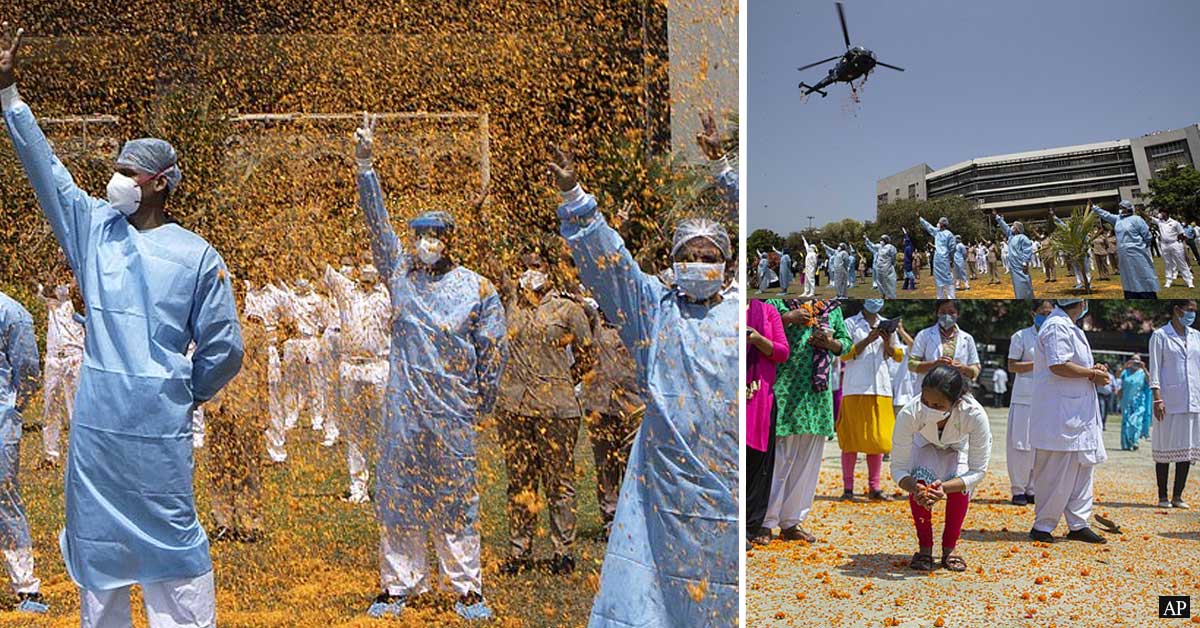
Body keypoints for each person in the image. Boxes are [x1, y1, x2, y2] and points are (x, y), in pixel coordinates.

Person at [2, 25, 244, 623]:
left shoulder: (197, 255)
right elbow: (47, 172)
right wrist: (8, 93)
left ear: (159, 182)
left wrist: (182, 391)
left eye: (128, 172)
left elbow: (225, 347)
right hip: (97, 439)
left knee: (174, 564)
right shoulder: (94, 231)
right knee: (100, 563)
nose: (116, 180)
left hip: (159, 437)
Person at [548, 117, 738, 626]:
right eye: (689, 256)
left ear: (728, 263)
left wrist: (723, 168)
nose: (700, 263)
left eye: (710, 256)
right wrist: (574, 197)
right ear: (673, 263)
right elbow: (608, 262)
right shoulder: (654, 308)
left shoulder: (741, 311)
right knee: (654, 594)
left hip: (729, 481)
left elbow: (761, 214)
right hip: (663, 485)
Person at [355, 115, 508, 620]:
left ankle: (466, 587)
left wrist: (479, 404)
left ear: (449, 239)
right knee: (398, 493)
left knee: (457, 496)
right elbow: (377, 225)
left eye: (435, 235)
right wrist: (365, 167)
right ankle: (399, 585)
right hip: (404, 409)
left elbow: (494, 350)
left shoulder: (478, 288)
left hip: (453, 412)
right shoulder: (399, 275)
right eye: (419, 234)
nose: (426, 243)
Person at [496, 253, 593, 576]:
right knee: (520, 482)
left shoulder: (568, 309)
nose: (529, 273)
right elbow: (487, 257)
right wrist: (481, 212)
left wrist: (561, 382)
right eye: (523, 266)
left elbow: (587, 355)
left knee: (559, 482)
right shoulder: (512, 302)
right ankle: (519, 551)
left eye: (536, 266)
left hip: (557, 411)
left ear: (549, 272)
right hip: (514, 407)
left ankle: (562, 551)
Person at [762, 299, 851, 541]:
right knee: (780, 457)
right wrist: (789, 318)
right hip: (786, 388)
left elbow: (846, 343)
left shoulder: (832, 308)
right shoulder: (776, 302)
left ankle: (792, 522)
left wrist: (829, 343)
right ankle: (765, 521)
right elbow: (761, 329)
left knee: (808, 460)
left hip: (817, 394)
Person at [891, 365, 991, 572]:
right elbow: (898, 468)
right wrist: (915, 487)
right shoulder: (910, 413)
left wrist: (944, 488)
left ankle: (949, 548)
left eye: (937, 405)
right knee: (920, 482)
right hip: (923, 444)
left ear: (956, 402)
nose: (928, 408)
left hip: (957, 448)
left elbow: (978, 470)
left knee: (961, 484)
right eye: (925, 402)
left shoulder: (974, 414)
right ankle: (925, 548)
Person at [1028, 299, 1108, 544]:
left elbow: (1072, 363)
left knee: (1083, 467)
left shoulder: (1071, 326)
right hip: (1059, 413)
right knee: (1055, 471)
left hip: (1078, 411)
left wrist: (1093, 369)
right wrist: (1092, 374)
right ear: (1082, 302)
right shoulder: (1056, 326)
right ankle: (1043, 525)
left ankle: (1078, 523)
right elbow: (1058, 365)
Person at [205, 282, 268, 544]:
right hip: (218, 404)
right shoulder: (211, 328)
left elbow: (263, 371)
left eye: (237, 294)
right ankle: (223, 520)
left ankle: (250, 520)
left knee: (248, 466)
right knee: (219, 466)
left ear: (243, 296)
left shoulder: (253, 328)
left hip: (245, 405)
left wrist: (264, 410)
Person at [323, 263, 390, 504]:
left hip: (379, 366)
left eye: (372, 260)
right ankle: (357, 487)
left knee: (384, 429)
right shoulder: (346, 290)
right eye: (363, 261)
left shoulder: (389, 294)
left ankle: (387, 486)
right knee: (355, 430)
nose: (367, 267)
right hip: (350, 366)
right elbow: (317, 264)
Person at [0, 290, 49, 613]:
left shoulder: (12, 313)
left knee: (4, 501)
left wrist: (14, 410)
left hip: (0, 424)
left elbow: (29, 371)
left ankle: (26, 587)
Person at [579, 304, 643, 539]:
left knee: (631, 463)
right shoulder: (594, 319)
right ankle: (609, 520)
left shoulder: (636, 320)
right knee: (605, 465)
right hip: (599, 403)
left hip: (631, 403)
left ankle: (632, 520)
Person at [838, 299, 902, 501]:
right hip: (856, 387)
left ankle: (874, 487)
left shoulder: (887, 324)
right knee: (851, 440)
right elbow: (844, 354)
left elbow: (898, 355)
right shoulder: (849, 323)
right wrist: (868, 338)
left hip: (880, 388)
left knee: (879, 440)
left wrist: (885, 340)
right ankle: (848, 489)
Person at [1148, 300, 1200, 508]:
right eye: (1189, 310)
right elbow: (1155, 368)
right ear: (1177, 310)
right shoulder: (1160, 336)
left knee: (1186, 448)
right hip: (1169, 400)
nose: (1192, 314)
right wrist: (1157, 398)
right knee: (1165, 446)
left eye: (1194, 311)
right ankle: (1163, 496)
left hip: (1193, 400)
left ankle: (1178, 496)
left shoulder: (1197, 337)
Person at [746, 299, 790, 545]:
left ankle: (750, 528)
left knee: (757, 466)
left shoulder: (767, 311)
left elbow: (783, 352)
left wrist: (757, 340)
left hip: (758, 395)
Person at [1006, 300, 1054, 506]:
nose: (1046, 316)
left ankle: (1033, 488)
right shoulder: (1021, 336)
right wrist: (1038, 365)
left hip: (1048, 398)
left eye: (1050, 312)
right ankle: (1018, 488)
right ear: (1033, 314)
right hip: (1024, 398)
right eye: (1042, 312)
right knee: (1020, 445)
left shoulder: (1055, 335)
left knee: (1041, 445)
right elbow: (1012, 365)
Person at [34, 280, 84, 468]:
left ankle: (79, 454)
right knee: (50, 407)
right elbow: (43, 289)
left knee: (76, 407)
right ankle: (50, 454)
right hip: (54, 356)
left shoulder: (76, 298)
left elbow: (73, 291)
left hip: (74, 354)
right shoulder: (50, 299)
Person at [908, 300, 981, 392]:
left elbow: (975, 370)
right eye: (942, 312)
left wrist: (963, 368)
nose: (947, 316)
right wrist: (934, 364)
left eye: (951, 312)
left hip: (957, 392)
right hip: (929, 391)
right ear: (937, 313)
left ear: (958, 314)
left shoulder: (967, 338)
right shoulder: (924, 335)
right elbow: (911, 365)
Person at [1092, 201, 1158, 298]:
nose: (1121, 209)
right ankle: (1131, 295)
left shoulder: (1137, 219)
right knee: (1128, 276)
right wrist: (1094, 207)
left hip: (1137, 253)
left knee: (1142, 274)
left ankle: (1147, 295)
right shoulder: (1118, 219)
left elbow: (1147, 237)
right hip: (1123, 254)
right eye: (1120, 207)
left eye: (1123, 207)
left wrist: (1139, 247)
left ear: (1129, 209)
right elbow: (1105, 215)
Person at [993, 211, 1035, 300]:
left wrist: (1025, 263)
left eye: (1013, 226)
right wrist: (997, 217)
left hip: (1020, 265)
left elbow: (1027, 250)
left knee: (1024, 283)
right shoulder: (1011, 236)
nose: (1011, 227)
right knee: (1017, 285)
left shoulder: (1023, 238)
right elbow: (1004, 227)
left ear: (1017, 228)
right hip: (1013, 265)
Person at [1149, 209, 1195, 289]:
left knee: (1181, 262)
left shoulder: (1175, 223)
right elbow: (1149, 218)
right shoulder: (1160, 222)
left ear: (1166, 213)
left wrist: (1179, 241)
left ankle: (1189, 281)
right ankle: (1168, 281)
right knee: (1167, 263)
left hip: (1175, 244)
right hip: (1164, 245)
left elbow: (1181, 233)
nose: (1160, 214)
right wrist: (1140, 211)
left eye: (1161, 212)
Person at [918, 215, 958, 298]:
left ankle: (951, 297)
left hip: (943, 259)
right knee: (938, 279)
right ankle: (940, 298)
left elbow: (952, 248)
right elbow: (928, 226)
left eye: (939, 223)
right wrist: (920, 218)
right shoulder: (937, 232)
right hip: (938, 260)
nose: (938, 224)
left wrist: (951, 259)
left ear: (942, 224)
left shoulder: (949, 234)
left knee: (947, 278)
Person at [1118, 356, 1152, 451]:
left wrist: (1144, 368)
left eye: (1137, 360)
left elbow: (1150, 381)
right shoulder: (1126, 372)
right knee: (1126, 422)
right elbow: (1117, 375)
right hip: (1126, 400)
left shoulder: (1142, 373)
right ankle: (1126, 444)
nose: (1135, 362)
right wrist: (1124, 367)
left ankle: (1135, 441)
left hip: (1139, 401)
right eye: (1133, 359)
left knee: (1136, 421)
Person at [864, 234, 897, 299]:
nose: (881, 241)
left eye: (882, 240)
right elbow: (872, 245)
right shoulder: (879, 246)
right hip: (879, 268)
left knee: (888, 282)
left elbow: (893, 257)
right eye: (881, 240)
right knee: (879, 282)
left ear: (886, 240)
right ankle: (882, 294)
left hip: (887, 268)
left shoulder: (891, 247)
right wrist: (866, 239)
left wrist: (891, 264)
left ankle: (890, 296)